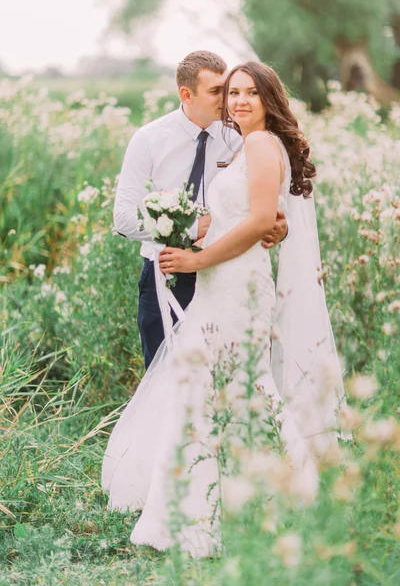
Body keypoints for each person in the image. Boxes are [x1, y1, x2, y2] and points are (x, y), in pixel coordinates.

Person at [102, 61, 346, 558]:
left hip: (229, 281)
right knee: (209, 387)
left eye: (246, 93)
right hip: (202, 276)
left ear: (268, 98)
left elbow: (260, 216)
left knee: (234, 386)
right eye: (227, 92)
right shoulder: (156, 138)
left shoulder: (248, 141)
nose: (233, 102)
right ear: (187, 93)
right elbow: (132, 217)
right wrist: (189, 236)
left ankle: (226, 503)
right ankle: (215, 496)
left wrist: (222, 245)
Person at [113, 50, 288, 368]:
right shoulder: (149, 140)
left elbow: (262, 205)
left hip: (227, 272)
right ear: (186, 94)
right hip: (169, 276)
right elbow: (123, 217)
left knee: (227, 374)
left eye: (230, 89)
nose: (228, 100)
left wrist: (279, 225)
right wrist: (192, 228)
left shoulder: (242, 136)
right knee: (166, 378)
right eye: (217, 92)